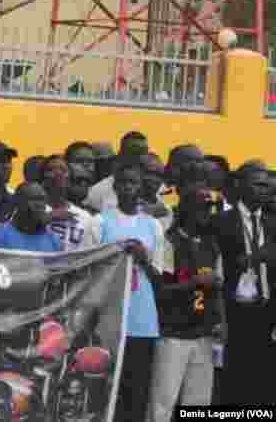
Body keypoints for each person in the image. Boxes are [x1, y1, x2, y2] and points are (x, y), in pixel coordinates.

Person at [86, 157, 164, 421]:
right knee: (105, 387)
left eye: (134, 182)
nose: (128, 187)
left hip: (142, 317)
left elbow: (158, 275)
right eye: (123, 183)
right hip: (108, 315)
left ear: (142, 187)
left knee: (136, 388)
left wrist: (144, 256)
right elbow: (86, 268)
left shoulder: (153, 226)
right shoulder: (99, 222)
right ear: (115, 187)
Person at [148, 162, 225, 420]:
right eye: (201, 208)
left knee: (199, 403)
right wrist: (194, 284)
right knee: (162, 403)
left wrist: (221, 321)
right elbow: (159, 291)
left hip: (203, 334)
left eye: (209, 208)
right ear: (186, 208)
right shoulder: (168, 242)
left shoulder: (210, 244)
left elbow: (217, 289)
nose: (206, 213)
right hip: (173, 333)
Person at [213, 164, 276, 404]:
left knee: (263, 381)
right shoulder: (221, 221)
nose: (265, 191)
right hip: (233, 309)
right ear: (240, 185)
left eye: (268, 186)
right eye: (258, 184)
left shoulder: (273, 223)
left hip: (267, 308)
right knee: (234, 379)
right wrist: (247, 260)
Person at [0, 183, 61, 252]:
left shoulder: (54, 240)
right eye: (33, 199)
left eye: (42, 199)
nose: (40, 205)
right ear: (17, 201)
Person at [40, 154, 94, 252]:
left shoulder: (85, 217)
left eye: (63, 170)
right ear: (42, 179)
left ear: (70, 179)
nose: (58, 173)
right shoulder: (33, 210)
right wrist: (49, 217)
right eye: (51, 170)